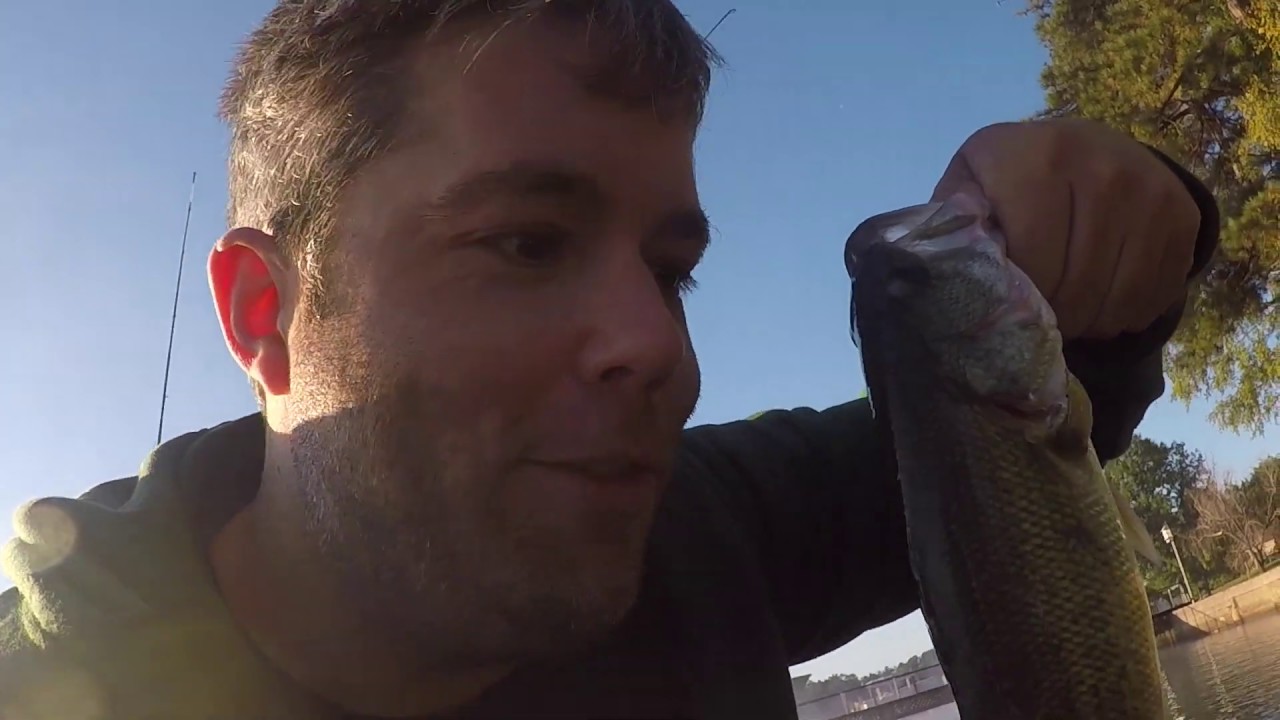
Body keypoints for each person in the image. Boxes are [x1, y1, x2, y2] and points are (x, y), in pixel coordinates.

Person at [0, 2, 1218, 719]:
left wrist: (1134, 209)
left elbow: (1029, 443)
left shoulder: (704, 522)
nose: (657, 349)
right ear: (265, 315)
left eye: (670, 269)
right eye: (525, 242)